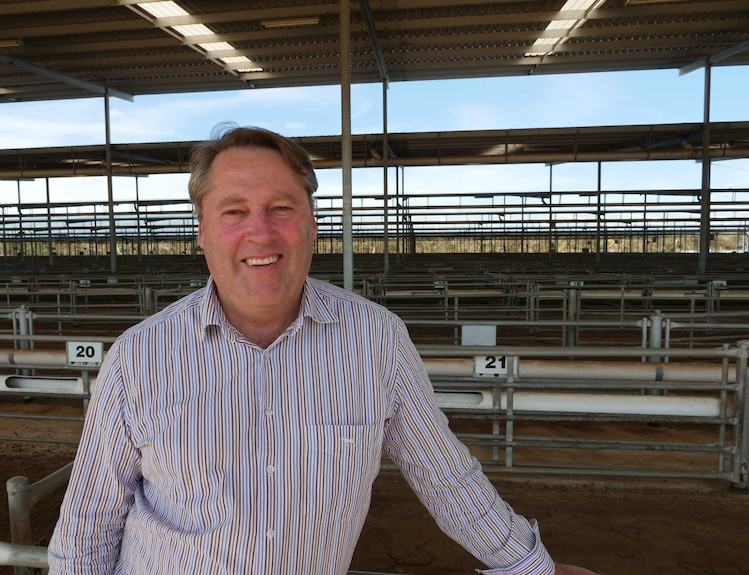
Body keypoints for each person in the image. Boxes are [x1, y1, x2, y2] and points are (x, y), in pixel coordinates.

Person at [48, 124, 601, 575]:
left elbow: (445, 475)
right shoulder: (139, 358)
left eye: (281, 208)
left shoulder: (375, 340)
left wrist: (531, 569)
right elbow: (88, 527)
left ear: (313, 221)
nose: (260, 233)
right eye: (234, 211)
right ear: (202, 230)